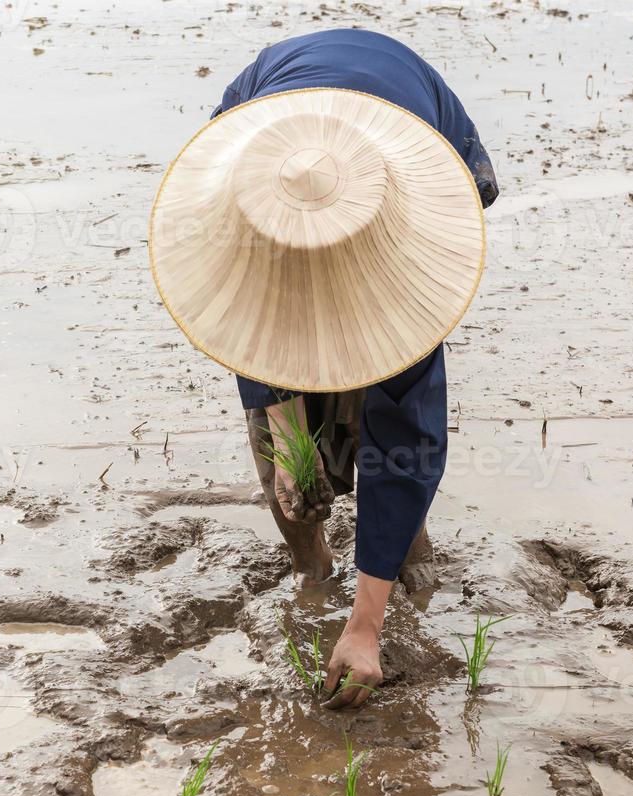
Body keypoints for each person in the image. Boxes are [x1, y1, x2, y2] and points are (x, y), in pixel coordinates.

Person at [149, 29, 499, 709]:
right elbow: (251, 337)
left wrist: (366, 630)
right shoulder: (246, 216)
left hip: (416, 138)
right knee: (291, 452)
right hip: (270, 130)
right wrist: (287, 443)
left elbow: (409, 442)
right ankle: (313, 569)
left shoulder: (409, 256)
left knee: (386, 401)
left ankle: (400, 558)